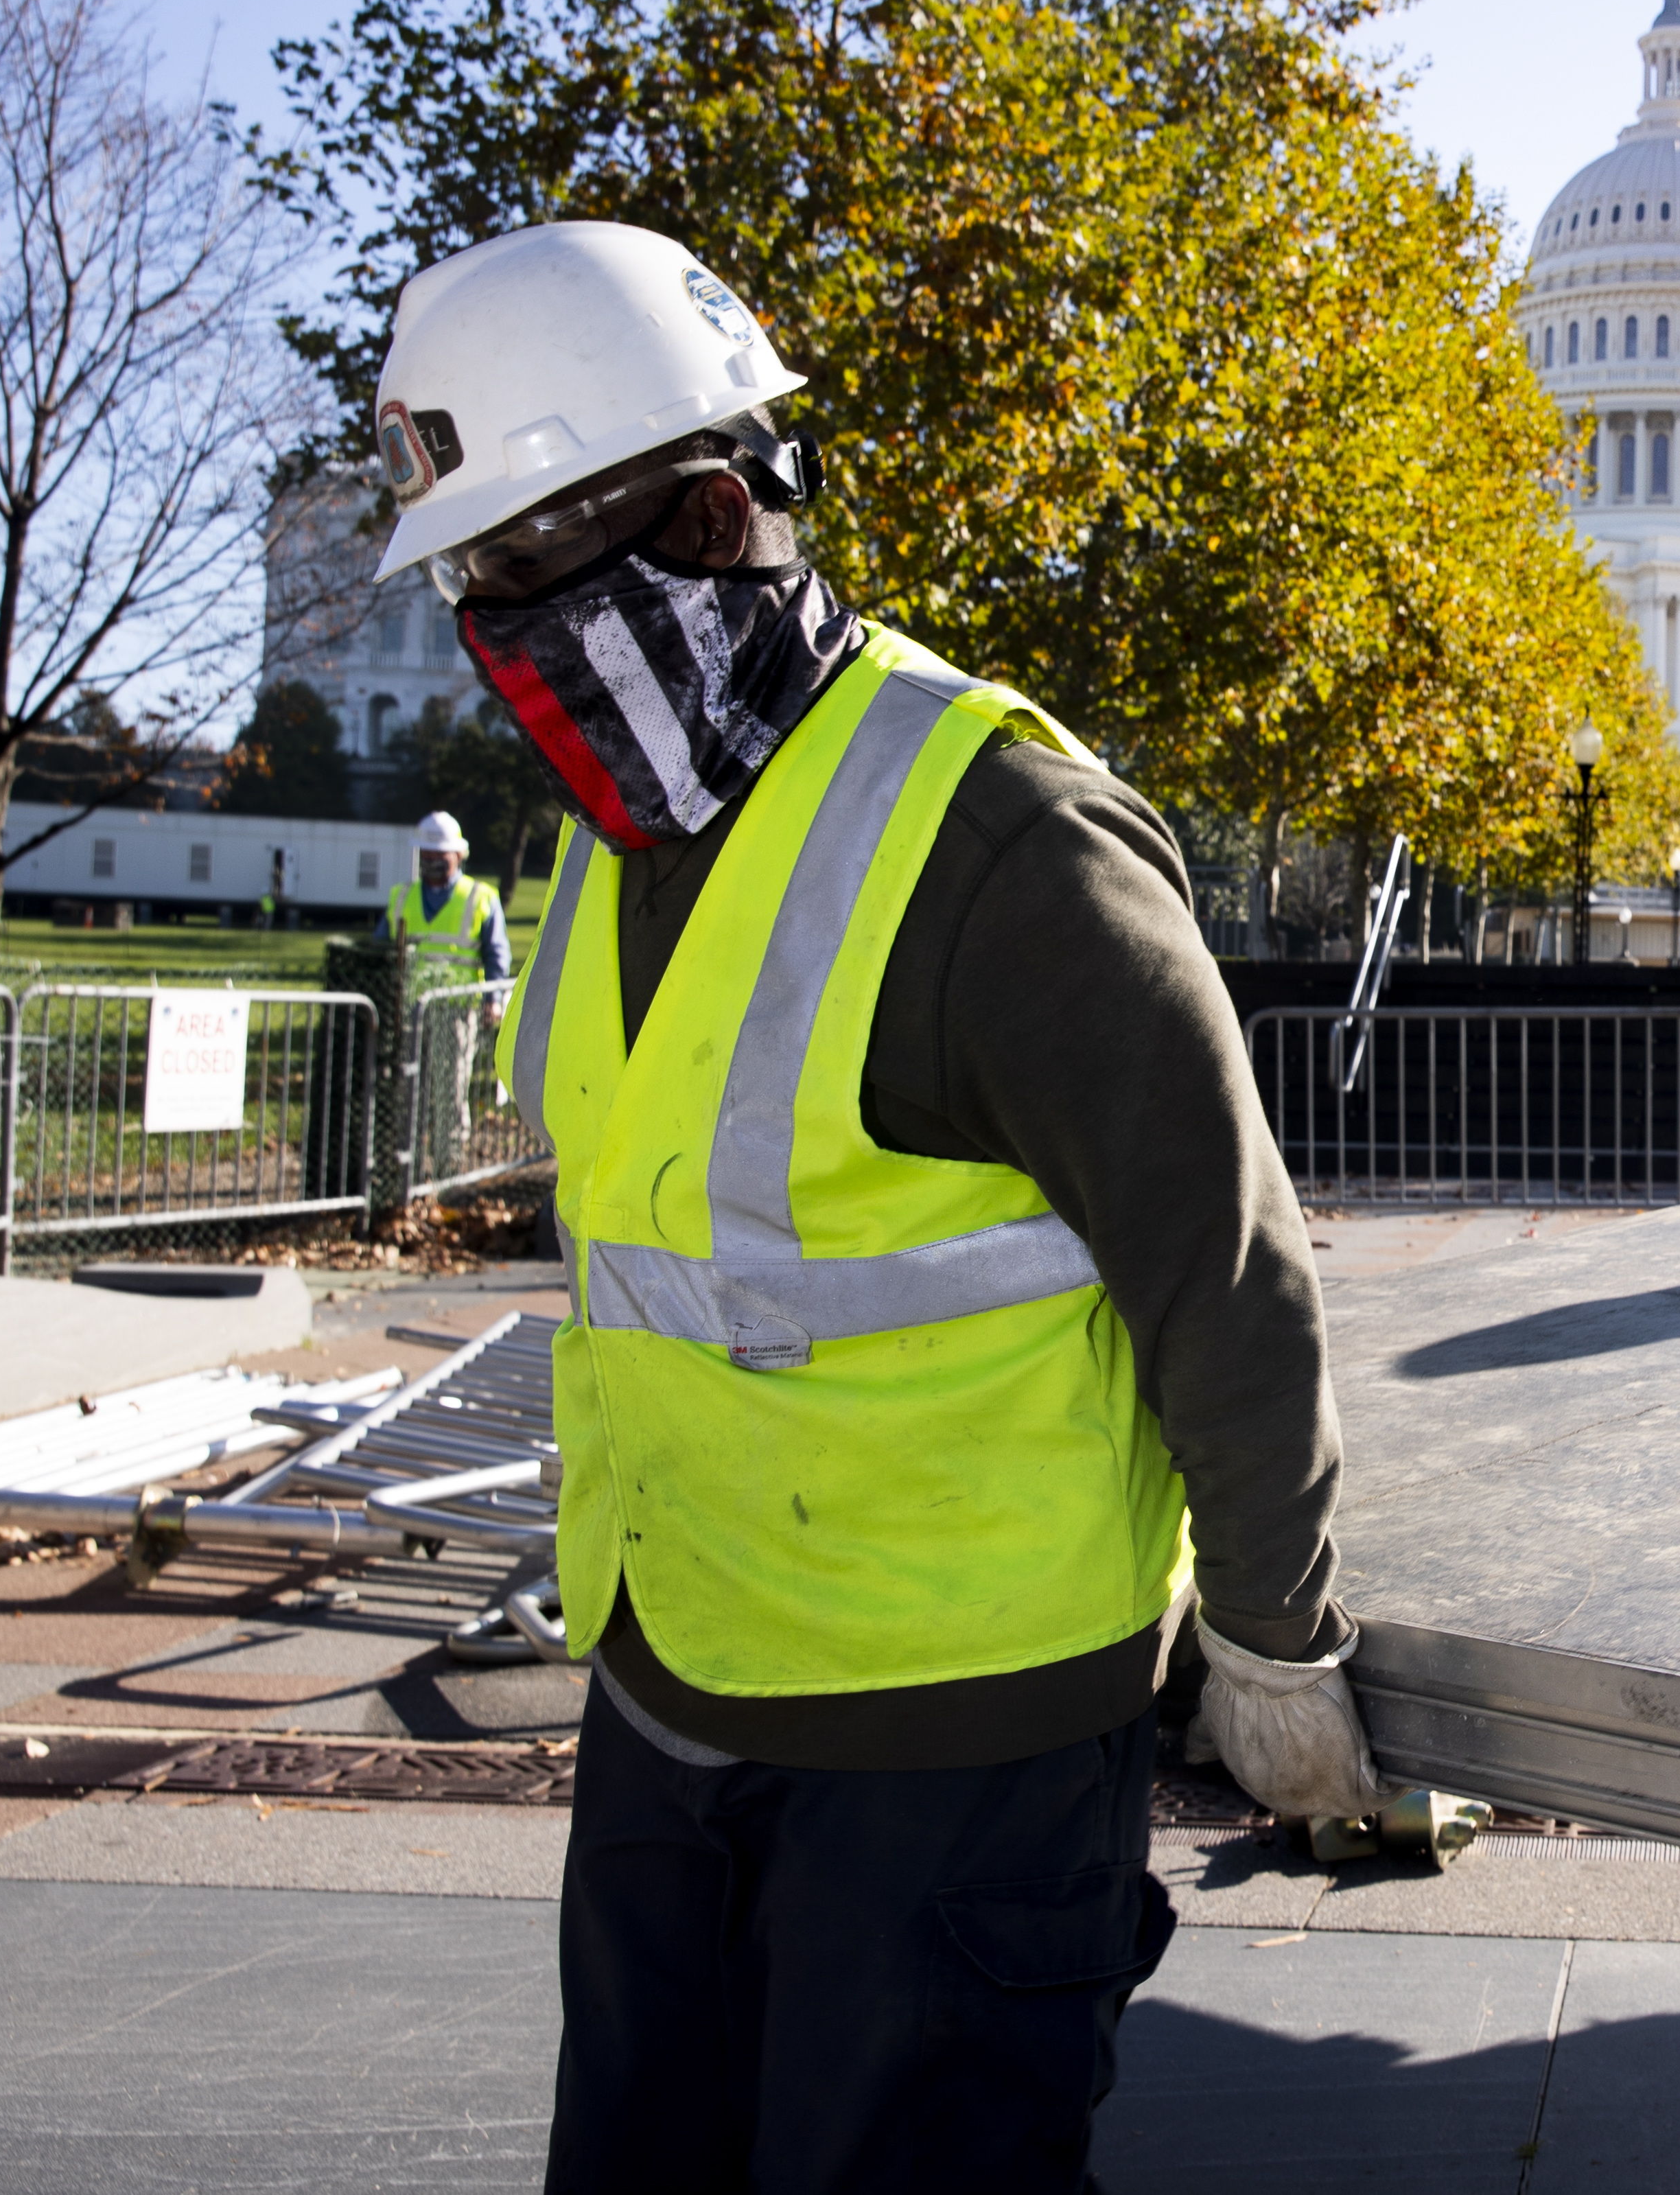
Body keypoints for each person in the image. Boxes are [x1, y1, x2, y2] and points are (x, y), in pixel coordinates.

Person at [368, 219, 1388, 2190]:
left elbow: (1227, 1270)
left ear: (711, 514)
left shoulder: (999, 839)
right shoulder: (615, 849)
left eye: (516, 569)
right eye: (473, 579)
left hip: (958, 1738)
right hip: (677, 1678)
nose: (492, 628)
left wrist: (1274, 1637)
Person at [386, 811, 513, 997]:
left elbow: (497, 955)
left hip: (461, 1006)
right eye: (426, 852)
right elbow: (381, 946)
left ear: (459, 855)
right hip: (409, 1004)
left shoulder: (481, 897)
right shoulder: (401, 895)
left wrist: (493, 998)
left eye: (439, 853)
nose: (431, 859)